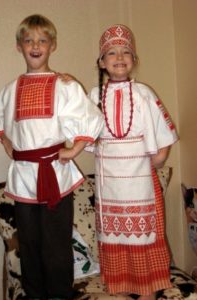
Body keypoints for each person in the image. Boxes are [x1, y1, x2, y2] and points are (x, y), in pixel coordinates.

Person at [0, 14, 103, 300]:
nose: (35, 46)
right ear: (19, 46)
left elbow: (90, 118)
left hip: (55, 174)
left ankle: (60, 295)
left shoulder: (64, 85)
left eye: (42, 40)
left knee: (56, 243)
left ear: (52, 45)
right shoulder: (10, 90)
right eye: (28, 40)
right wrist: (9, 147)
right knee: (29, 243)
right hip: (24, 176)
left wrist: (74, 150)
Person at [89, 25, 178, 300]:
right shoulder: (94, 96)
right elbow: (82, 131)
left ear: (134, 59)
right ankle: (122, 287)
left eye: (126, 51)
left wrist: (159, 158)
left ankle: (148, 289)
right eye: (111, 52)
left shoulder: (144, 93)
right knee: (115, 237)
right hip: (110, 186)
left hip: (140, 182)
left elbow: (164, 131)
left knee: (144, 237)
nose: (119, 56)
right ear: (101, 62)